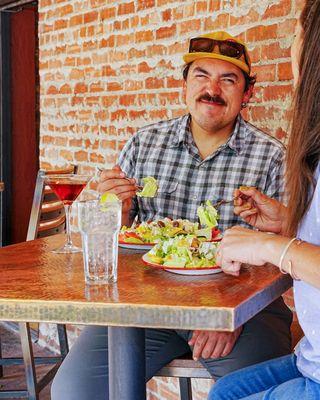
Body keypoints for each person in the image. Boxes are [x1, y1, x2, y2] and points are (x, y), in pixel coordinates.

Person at [51, 31, 292, 400]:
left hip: (245, 312)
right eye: (201, 75)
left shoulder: (274, 157)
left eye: (228, 79)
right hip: (147, 309)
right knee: (74, 389)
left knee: (266, 394)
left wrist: (231, 313)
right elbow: (102, 231)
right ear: (184, 86)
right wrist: (112, 210)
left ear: (247, 95)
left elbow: (288, 253)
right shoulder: (144, 143)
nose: (212, 88)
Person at [208, 1, 320, 399]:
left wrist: (268, 245)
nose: (291, 47)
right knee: (225, 392)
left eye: (296, 35)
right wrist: (287, 223)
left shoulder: (271, 151)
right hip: (311, 356)